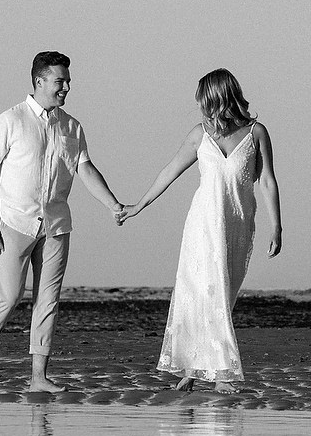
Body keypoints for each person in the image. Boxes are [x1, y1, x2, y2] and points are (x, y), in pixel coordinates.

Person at [0, 51, 125, 393]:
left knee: (48, 300)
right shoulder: (10, 120)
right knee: (8, 297)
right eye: (60, 81)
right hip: (13, 222)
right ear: (39, 81)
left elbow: (84, 167)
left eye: (67, 81)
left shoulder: (72, 126)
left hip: (56, 226)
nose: (66, 86)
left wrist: (112, 204)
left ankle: (38, 377)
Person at [119, 69, 283, 392]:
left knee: (223, 295)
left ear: (220, 99)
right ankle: (218, 372)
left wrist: (277, 225)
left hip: (236, 225)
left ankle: (196, 368)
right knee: (200, 295)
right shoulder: (199, 135)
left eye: (204, 102)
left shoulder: (256, 133)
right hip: (202, 226)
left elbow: (266, 180)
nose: (200, 108)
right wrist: (139, 205)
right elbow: (169, 171)